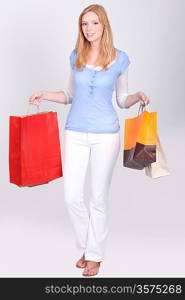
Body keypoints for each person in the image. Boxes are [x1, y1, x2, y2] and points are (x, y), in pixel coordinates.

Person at [29, 4, 150, 277]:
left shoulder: (120, 59)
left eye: (94, 23)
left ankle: (94, 255)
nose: (89, 29)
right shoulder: (76, 57)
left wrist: (137, 96)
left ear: (103, 25)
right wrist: (44, 94)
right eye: (84, 24)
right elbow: (70, 95)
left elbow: (122, 100)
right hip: (75, 132)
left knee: (97, 198)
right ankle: (89, 245)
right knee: (72, 196)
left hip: (107, 134)